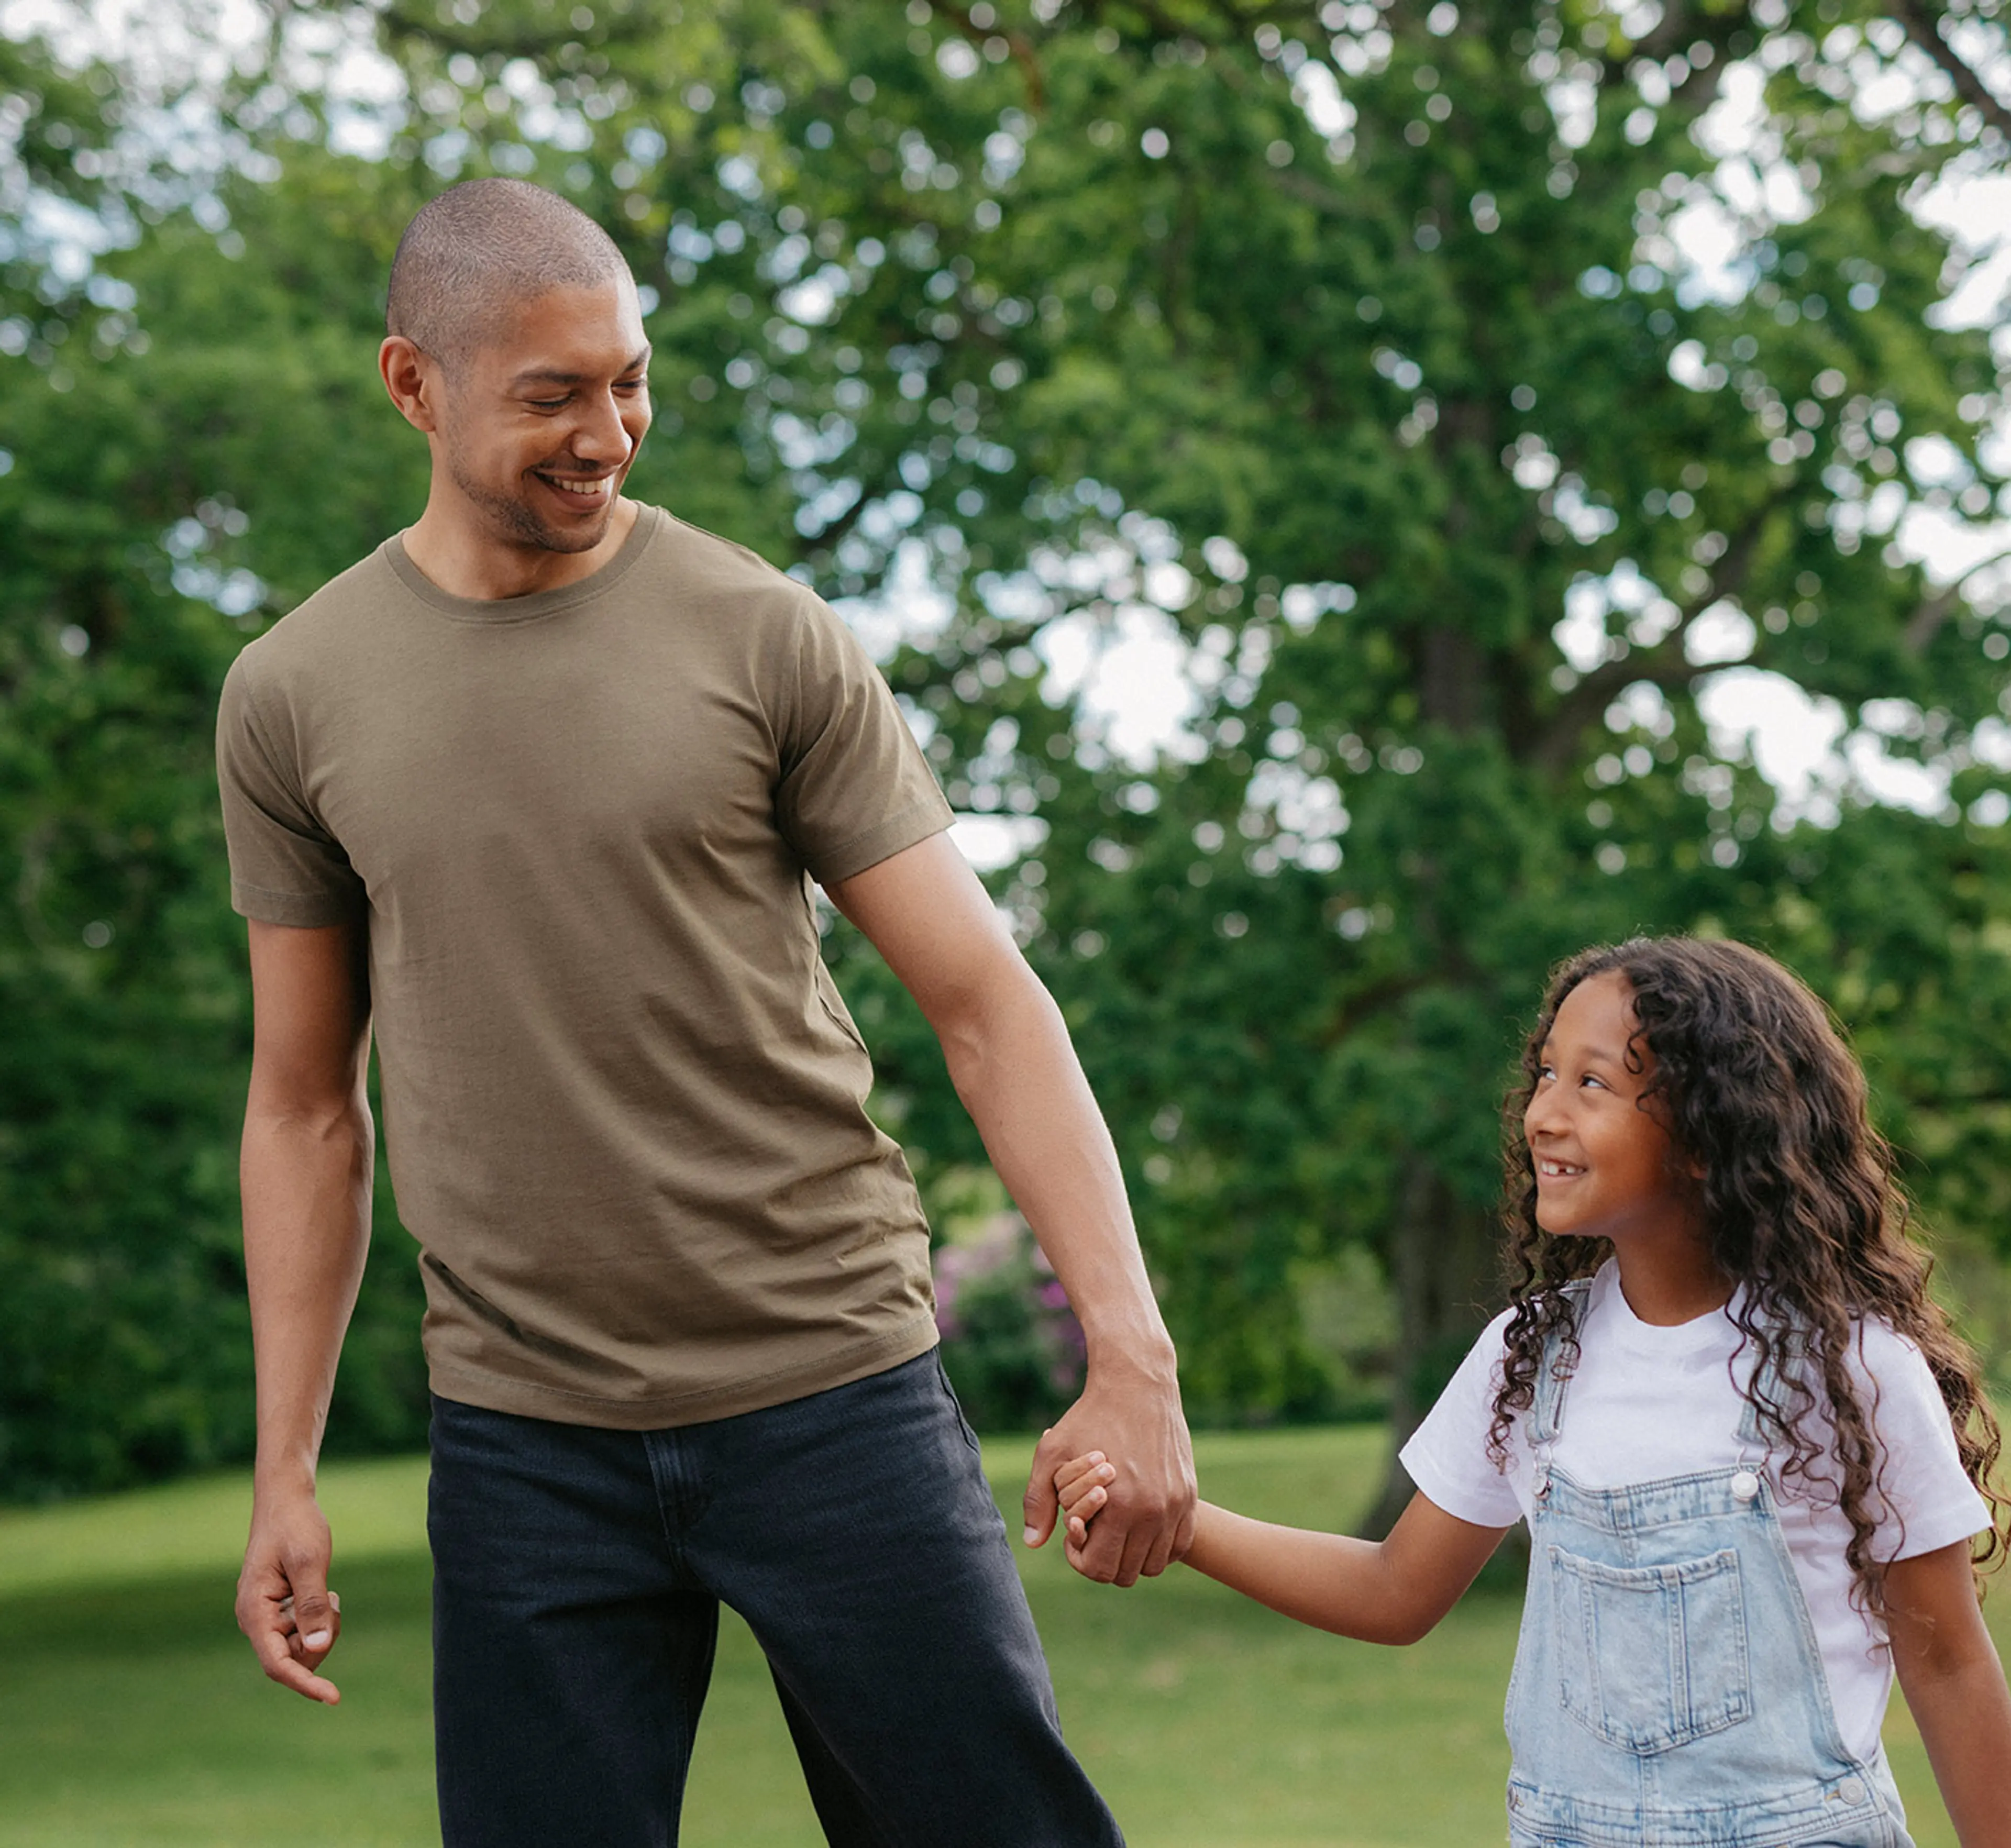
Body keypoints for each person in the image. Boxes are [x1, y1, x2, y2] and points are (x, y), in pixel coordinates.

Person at [217, 176, 1194, 1847]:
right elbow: (309, 1106)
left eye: (630, 380)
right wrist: (284, 1467)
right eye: (554, 395)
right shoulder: (294, 697)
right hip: (525, 1447)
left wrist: (1134, 1350)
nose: (610, 433)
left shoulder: (761, 634)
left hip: (835, 1395)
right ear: (413, 384)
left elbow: (982, 1002)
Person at [1059, 937, 2011, 1845]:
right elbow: (1397, 1591)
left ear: (1708, 1134)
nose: (1543, 1113)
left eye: (1592, 1083)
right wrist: (1177, 1523)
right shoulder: (1532, 1356)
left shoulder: (1848, 1371)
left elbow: (1949, 1664)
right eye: (1546, 1074)